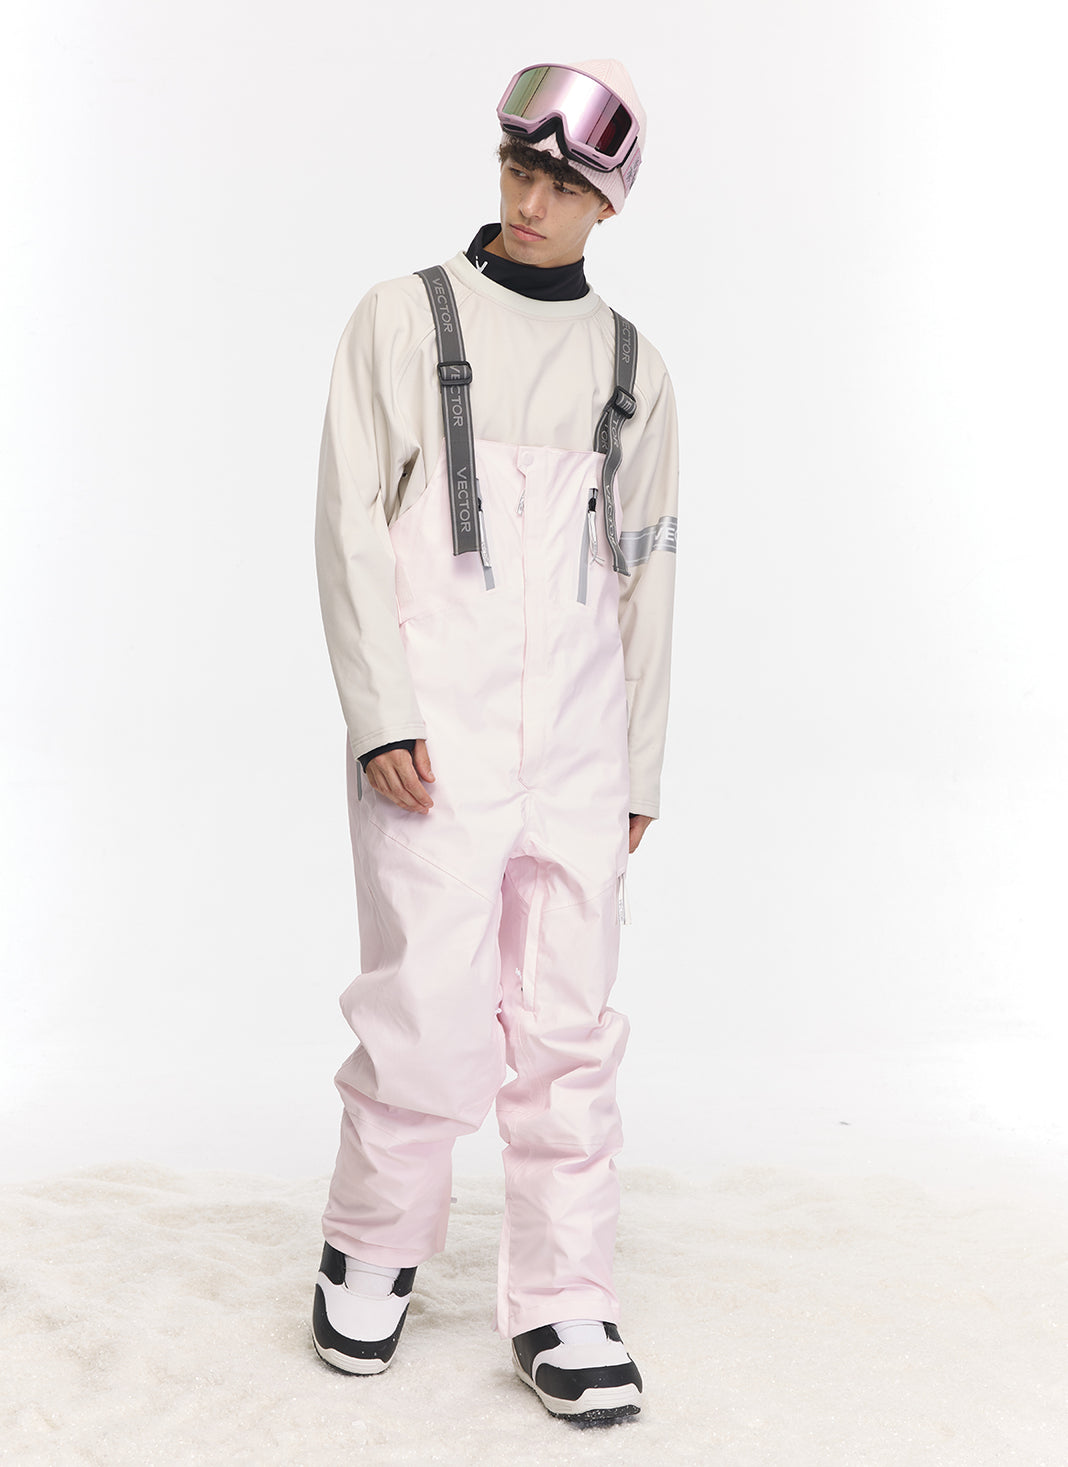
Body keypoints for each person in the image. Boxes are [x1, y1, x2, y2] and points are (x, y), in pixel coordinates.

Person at [311, 59, 678, 1426]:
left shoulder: (634, 369)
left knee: (570, 1029)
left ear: (607, 207)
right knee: (424, 1003)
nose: (531, 203)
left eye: (563, 188)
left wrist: (638, 762)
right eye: (519, 172)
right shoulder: (403, 320)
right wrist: (381, 714)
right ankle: (373, 1246)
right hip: (436, 742)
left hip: (578, 751)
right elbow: (350, 522)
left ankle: (565, 1297)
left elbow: (649, 576)